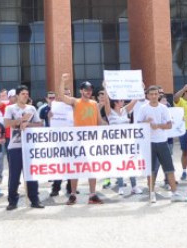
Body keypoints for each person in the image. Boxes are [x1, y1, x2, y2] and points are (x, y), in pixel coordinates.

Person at [57, 74, 104, 204]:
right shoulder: (75, 102)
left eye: (90, 90)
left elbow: (99, 121)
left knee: (92, 167)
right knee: (75, 167)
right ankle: (73, 194)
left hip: (92, 140)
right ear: (81, 91)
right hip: (77, 140)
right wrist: (62, 81)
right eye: (86, 89)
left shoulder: (94, 104)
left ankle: (92, 194)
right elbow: (61, 97)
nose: (88, 92)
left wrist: (113, 130)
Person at [137, 84, 187, 203]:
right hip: (149, 143)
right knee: (151, 170)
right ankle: (151, 193)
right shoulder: (143, 108)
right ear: (147, 95)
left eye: (156, 94)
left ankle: (175, 193)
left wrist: (157, 126)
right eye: (151, 94)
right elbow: (138, 125)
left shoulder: (163, 108)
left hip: (163, 142)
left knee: (169, 169)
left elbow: (169, 125)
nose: (154, 96)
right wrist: (146, 122)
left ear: (159, 95)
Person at [4, 84, 45, 210]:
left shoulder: (32, 108)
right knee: (14, 176)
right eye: (23, 94)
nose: (26, 96)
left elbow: (39, 124)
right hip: (15, 146)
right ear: (17, 95)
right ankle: (12, 201)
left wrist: (28, 124)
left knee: (31, 174)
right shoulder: (10, 108)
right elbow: (6, 123)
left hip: (29, 146)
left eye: (27, 94)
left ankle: (34, 199)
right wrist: (19, 121)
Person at [106, 95, 143, 196]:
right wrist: (105, 88)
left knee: (130, 164)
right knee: (119, 164)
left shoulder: (125, 110)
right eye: (120, 99)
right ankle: (121, 187)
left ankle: (134, 186)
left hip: (128, 142)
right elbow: (106, 101)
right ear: (115, 102)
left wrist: (139, 90)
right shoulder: (110, 112)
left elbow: (135, 100)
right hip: (116, 143)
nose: (122, 101)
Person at [173, 84, 187, 180]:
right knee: (185, 152)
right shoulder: (180, 101)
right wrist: (183, 89)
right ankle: (184, 171)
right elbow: (175, 98)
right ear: (186, 93)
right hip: (185, 130)